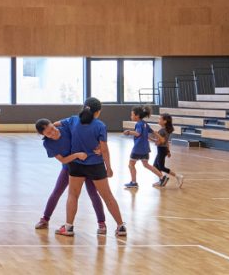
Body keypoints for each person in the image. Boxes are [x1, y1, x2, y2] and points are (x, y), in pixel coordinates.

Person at [57, 98, 127, 238]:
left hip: (76, 164)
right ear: (98, 111)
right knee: (107, 196)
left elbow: (54, 126)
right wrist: (109, 168)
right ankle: (121, 227)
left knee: (73, 195)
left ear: (84, 107)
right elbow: (105, 149)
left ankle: (68, 227)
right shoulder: (100, 125)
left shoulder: (72, 120)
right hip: (96, 165)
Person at [34, 118, 107, 234]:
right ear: (43, 135)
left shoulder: (67, 129)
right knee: (57, 191)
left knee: (93, 193)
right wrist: (76, 155)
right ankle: (45, 219)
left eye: (53, 128)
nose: (53, 132)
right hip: (69, 167)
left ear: (54, 125)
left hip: (87, 165)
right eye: (48, 133)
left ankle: (102, 224)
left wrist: (99, 146)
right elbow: (63, 160)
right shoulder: (48, 144)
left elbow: (85, 134)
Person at [123, 106, 162, 189]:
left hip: (138, 148)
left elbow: (138, 133)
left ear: (137, 116)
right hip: (145, 149)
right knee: (146, 164)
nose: (131, 116)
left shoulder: (139, 124)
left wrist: (129, 132)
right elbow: (150, 132)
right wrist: (156, 139)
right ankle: (162, 177)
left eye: (132, 115)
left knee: (131, 165)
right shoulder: (144, 123)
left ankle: (134, 182)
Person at [150, 113, 184, 188]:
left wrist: (152, 137)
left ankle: (178, 176)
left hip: (161, 150)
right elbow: (166, 141)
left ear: (165, 121)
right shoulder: (165, 130)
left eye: (160, 119)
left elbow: (160, 142)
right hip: (163, 150)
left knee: (161, 167)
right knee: (155, 166)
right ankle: (162, 180)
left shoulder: (162, 131)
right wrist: (168, 151)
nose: (158, 120)